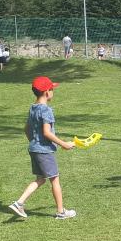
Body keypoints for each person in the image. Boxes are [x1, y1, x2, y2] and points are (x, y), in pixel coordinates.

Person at [8, 76, 77, 220]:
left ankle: (19, 203)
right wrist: (64, 144)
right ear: (46, 92)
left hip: (34, 149)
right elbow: (47, 133)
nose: (53, 92)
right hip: (44, 151)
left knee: (40, 179)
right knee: (55, 180)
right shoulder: (46, 110)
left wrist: (34, 143)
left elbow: (26, 129)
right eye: (52, 89)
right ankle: (61, 212)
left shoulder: (33, 108)